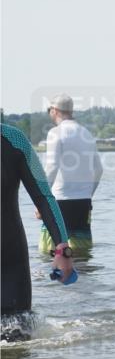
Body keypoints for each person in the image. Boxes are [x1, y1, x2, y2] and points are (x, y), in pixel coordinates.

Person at [2, 123, 77, 339]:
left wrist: (63, 248)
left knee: (17, 342)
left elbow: (43, 195)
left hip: (10, 263)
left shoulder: (15, 140)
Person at [38, 94, 103, 257]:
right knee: (82, 253)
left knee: (50, 254)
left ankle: (54, 284)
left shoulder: (55, 133)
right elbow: (99, 169)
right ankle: (83, 282)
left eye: (49, 110)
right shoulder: (86, 133)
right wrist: (89, 194)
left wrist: (41, 200)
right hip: (83, 201)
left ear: (54, 110)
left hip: (60, 201)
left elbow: (52, 167)